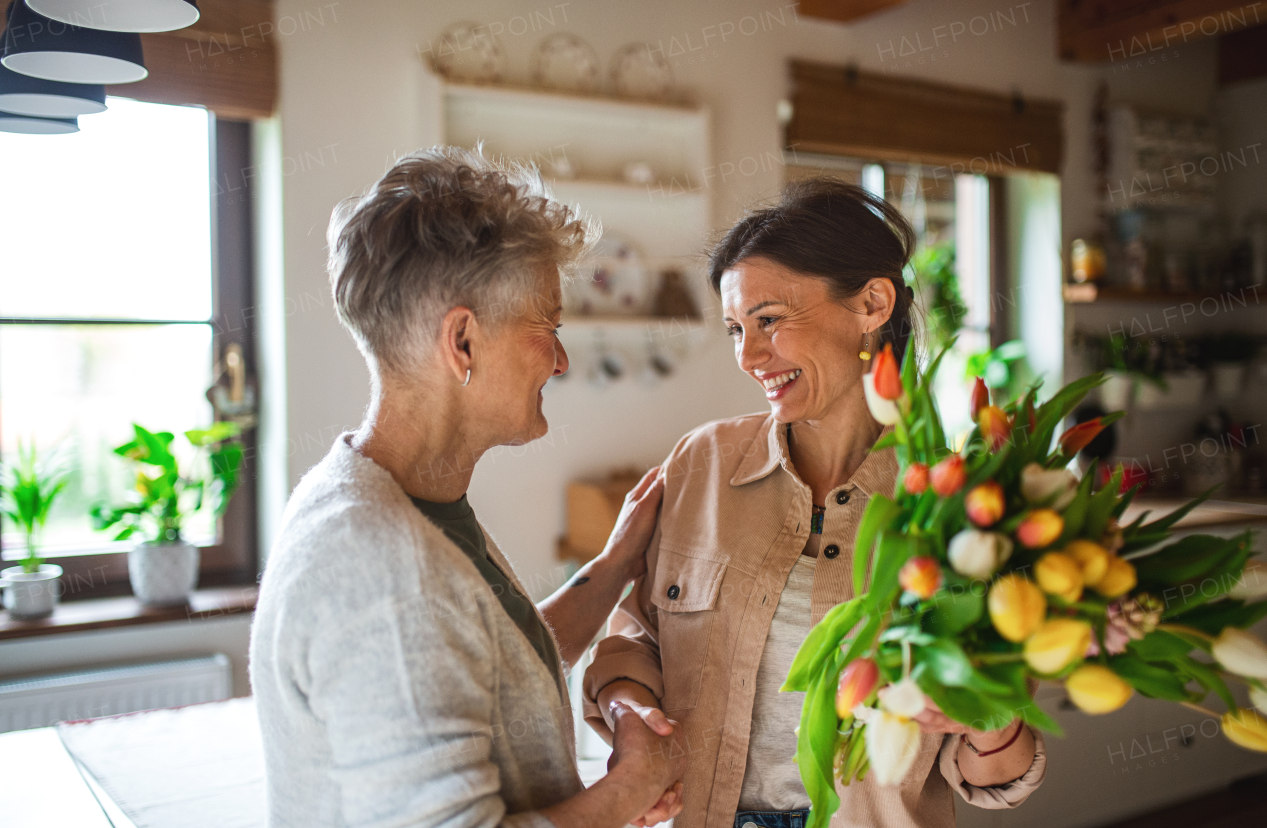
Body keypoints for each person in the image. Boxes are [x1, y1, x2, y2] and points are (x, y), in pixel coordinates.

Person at [583, 179, 1046, 828]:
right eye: (735, 329)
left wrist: (989, 724)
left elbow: (998, 777)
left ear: (872, 303)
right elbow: (633, 641)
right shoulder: (702, 463)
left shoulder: (963, 507)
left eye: (769, 320)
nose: (749, 356)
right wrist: (634, 727)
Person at [250, 147, 685, 828]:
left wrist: (616, 565)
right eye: (550, 326)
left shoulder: (392, 501)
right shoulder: (384, 569)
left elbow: (486, 664)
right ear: (462, 342)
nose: (562, 359)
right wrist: (632, 784)